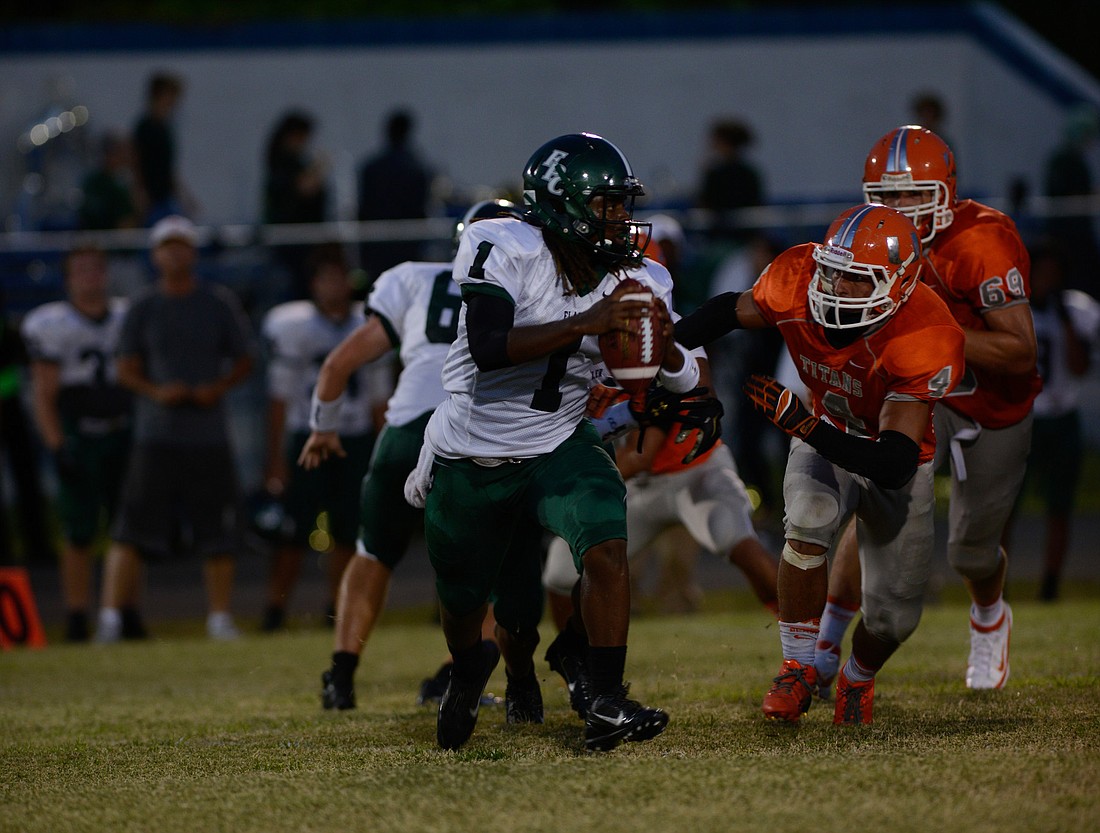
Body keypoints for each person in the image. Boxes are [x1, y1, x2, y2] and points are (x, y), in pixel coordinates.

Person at [398, 133, 708, 751]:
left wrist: (661, 341)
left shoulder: (641, 275)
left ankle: (608, 699)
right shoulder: (505, 244)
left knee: (606, 544)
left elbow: (684, 374)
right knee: (462, 604)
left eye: (623, 204)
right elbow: (488, 349)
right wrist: (590, 323)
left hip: (559, 439)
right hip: (474, 444)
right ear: (561, 206)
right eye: (606, 206)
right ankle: (464, 672)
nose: (621, 219)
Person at [675, 203, 966, 725]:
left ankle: (856, 675)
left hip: (892, 457)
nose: (834, 286)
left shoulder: (924, 332)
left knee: (894, 617)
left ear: (899, 284)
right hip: (823, 428)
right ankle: (798, 668)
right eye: (833, 270)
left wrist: (805, 427)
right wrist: (663, 350)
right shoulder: (796, 278)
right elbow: (728, 311)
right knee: (806, 520)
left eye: (856, 280)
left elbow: (894, 463)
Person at [816, 126, 1040, 693]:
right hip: (922, 393)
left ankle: (989, 617)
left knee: (970, 550)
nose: (899, 210)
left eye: (913, 194)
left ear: (945, 193)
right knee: (878, 503)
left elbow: (1019, 353)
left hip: (992, 402)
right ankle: (822, 646)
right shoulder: (867, 238)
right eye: (887, 196)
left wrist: (934, 334)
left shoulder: (981, 240)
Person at [301, 199, 522, 712]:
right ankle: (457, 672)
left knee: (373, 552)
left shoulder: (415, 280)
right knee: (494, 562)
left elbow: (338, 364)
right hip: (477, 432)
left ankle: (341, 674)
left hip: (404, 431)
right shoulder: (529, 285)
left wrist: (322, 429)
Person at [95, 215, 254, 642]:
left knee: (218, 529)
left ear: (193, 252)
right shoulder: (142, 307)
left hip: (207, 432)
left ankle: (219, 616)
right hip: (156, 432)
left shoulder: (217, 302)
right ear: (155, 255)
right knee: (132, 526)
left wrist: (215, 388)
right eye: (167, 246)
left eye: (182, 245)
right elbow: (125, 367)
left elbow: (244, 358)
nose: (175, 253)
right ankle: (111, 617)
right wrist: (157, 391)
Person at [259, 244, 388, 633]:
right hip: (310, 435)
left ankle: (338, 607)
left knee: (349, 529)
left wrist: (384, 450)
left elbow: (379, 396)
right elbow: (279, 398)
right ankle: (274, 609)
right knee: (294, 531)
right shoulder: (293, 325)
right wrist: (276, 457)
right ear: (313, 284)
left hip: (354, 436)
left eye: (338, 277)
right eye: (325, 277)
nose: (333, 285)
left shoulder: (368, 323)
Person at [21, 245, 134, 642]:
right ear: (68, 278)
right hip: (79, 434)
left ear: (106, 274)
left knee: (130, 529)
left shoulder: (126, 316)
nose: (89, 277)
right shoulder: (54, 324)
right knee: (79, 531)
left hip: (122, 429)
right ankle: (75, 616)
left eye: (95, 269)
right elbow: (44, 395)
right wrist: (57, 445)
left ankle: (127, 612)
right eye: (80, 270)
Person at [1014, 240, 1100, 601]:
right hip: (1023, 418)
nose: (1047, 280)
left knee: (1059, 508)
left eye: (1054, 274)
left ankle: (1050, 585)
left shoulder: (1077, 309)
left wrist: (1064, 319)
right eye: (1041, 273)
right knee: (1003, 508)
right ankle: (991, 585)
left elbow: (1080, 367)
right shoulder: (1014, 310)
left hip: (1062, 415)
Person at [357, 109, 434, 281]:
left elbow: (363, 209)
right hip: (407, 244)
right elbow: (421, 208)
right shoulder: (415, 169)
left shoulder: (371, 168)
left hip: (376, 245)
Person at [262, 111, 330, 299]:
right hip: (292, 239)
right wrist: (319, 168)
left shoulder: (289, 162)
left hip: (304, 238)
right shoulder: (283, 164)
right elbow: (303, 189)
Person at [1043, 104, 1100, 297]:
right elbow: (1069, 194)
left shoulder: (1067, 159)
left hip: (1072, 231)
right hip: (1070, 232)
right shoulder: (1066, 160)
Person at [132, 72, 194, 225]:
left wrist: (183, 195)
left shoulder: (165, 128)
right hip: (152, 198)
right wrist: (140, 192)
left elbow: (167, 167)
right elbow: (136, 161)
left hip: (165, 196)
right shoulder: (145, 127)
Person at [697, 118, 764, 243]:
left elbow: (706, 202)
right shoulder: (748, 173)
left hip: (735, 237)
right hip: (723, 236)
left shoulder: (743, 174)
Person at [79, 132, 139, 231]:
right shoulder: (92, 182)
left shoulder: (125, 181)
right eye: (120, 153)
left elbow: (129, 223)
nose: (124, 157)